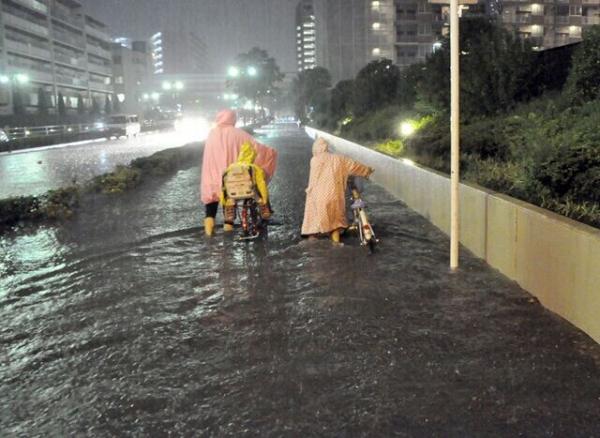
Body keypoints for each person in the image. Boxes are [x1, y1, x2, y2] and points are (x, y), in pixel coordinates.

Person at [200, 109, 277, 236]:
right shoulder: (238, 133)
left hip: (211, 178)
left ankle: (208, 233)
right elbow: (255, 148)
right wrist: (271, 153)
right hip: (232, 178)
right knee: (229, 200)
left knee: (211, 204)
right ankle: (228, 229)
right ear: (232, 119)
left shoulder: (212, 134)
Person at [301, 137, 374, 243]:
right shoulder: (340, 159)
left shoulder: (314, 160)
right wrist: (368, 170)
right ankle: (336, 244)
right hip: (334, 195)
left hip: (316, 197)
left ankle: (312, 246)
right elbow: (354, 166)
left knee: (313, 223)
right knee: (335, 223)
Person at [220, 141, 272, 227]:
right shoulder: (254, 167)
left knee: (229, 198)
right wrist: (264, 200)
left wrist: (224, 202)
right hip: (250, 192)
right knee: (260, 196)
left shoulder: (230, 168)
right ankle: (264, 210)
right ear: (252, 156)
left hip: (233, 194)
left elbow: (223, 188)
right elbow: (261, 185)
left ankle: (229, 213)